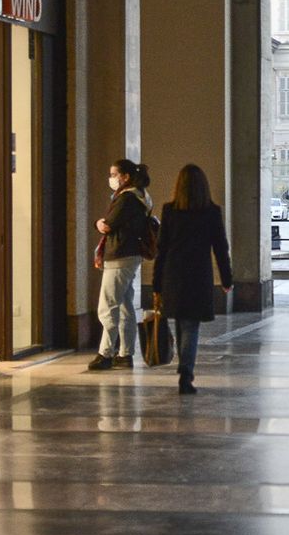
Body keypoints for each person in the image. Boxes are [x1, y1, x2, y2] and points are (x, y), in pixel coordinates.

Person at [152, 164, 233, 394]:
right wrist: (227, 279)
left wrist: (157, 283)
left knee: (180, 322)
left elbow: (162, 250)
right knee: (190, 325)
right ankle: (186, 373)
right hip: (198, 276)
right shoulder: (211, 212)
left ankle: (184, 367)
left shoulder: (169, 211)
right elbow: (220, 248)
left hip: (173, 275)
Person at [88, 159, 152, 371]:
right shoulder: (141, 196)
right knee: (125, 306)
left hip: (119, 256)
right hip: (130, 255)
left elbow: (107, 225)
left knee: (107, 307)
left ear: (125, 176)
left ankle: (105, 353)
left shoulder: (126, 198)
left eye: (114, 174)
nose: (111, 178)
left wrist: (98, 223)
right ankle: (125, 353)